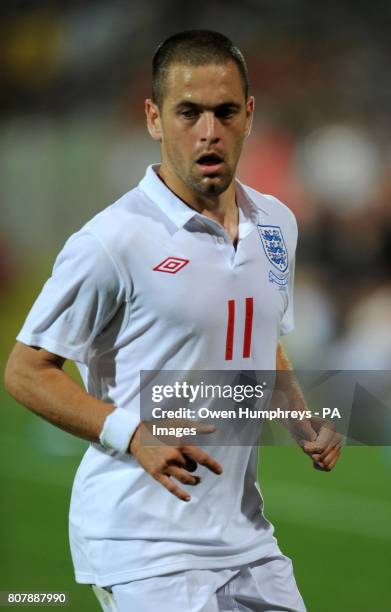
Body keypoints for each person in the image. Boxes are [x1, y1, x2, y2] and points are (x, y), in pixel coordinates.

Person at [5, 30, 341, 612]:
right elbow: (26, 370)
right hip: (143, 545)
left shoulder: (277, 225)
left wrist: (301, 420)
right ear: (154, 118)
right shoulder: (112, 241)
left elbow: (261, 343)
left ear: (249, 115)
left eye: (225, 111)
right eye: (189, 112)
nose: (208, 131)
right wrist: (132, 433)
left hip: (244, 535)